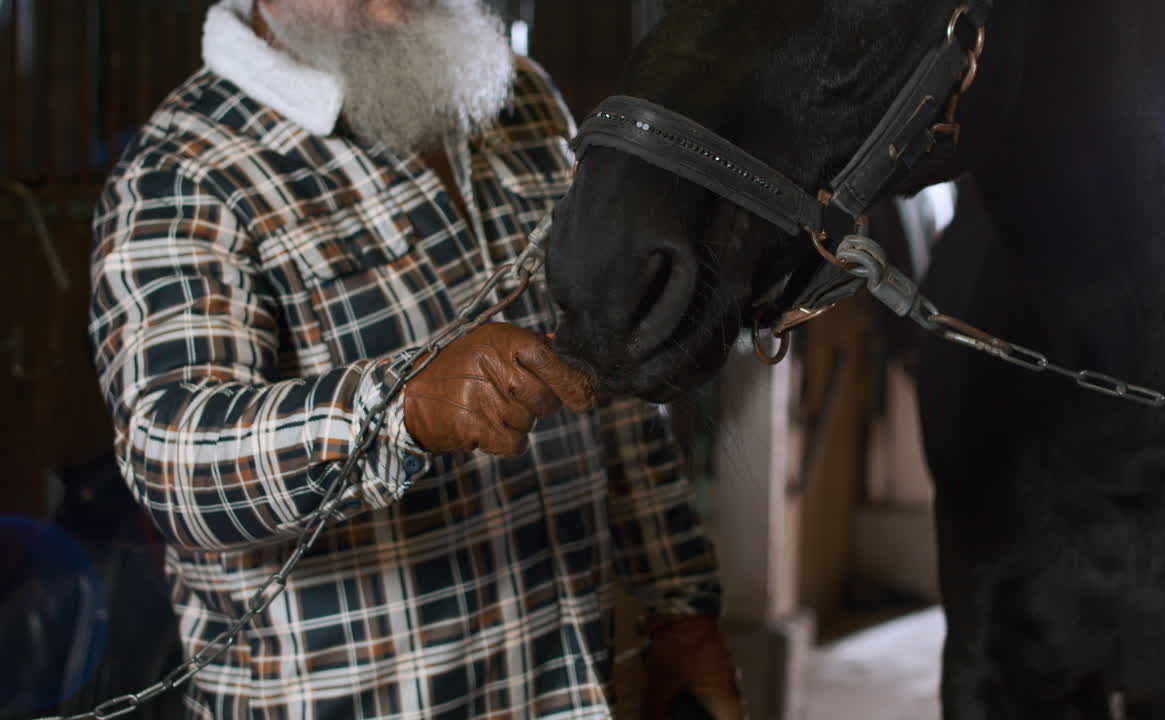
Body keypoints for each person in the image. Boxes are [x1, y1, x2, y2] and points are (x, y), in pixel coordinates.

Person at [88, 0, 744, 717]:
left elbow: (607, 378)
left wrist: (681, 608)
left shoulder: (514, 95)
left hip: (564, 687)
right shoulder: (185, 168)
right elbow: (172, 459)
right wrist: (403, 408)